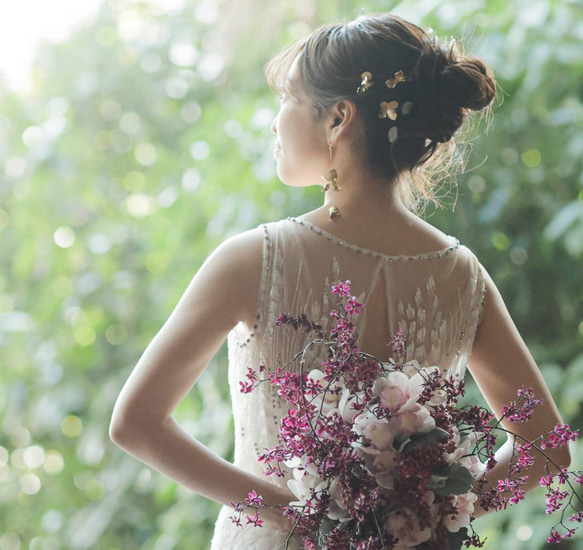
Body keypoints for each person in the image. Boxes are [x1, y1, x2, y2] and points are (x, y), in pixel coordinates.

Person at [109, 12, 571, 550]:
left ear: (338, 119)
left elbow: (135, 424)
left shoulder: (253, 259)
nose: (275, 119)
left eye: (287, 98)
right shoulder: (461, 275)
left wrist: (297, 516)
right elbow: (547, 446)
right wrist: (435, 515)